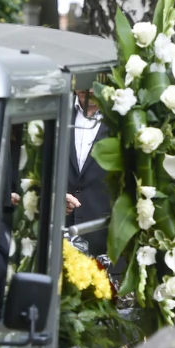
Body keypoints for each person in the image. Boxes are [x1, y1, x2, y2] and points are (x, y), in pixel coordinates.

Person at [65, 89, 111, 255]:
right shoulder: (59, 111)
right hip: (60, 236)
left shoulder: (120, 117)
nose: (88, 88)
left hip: (104, 240)